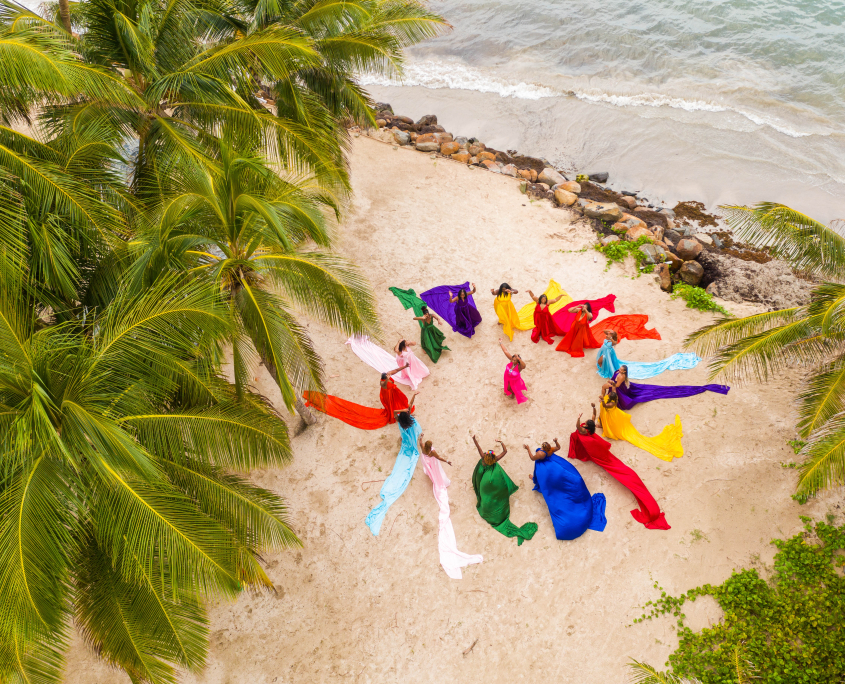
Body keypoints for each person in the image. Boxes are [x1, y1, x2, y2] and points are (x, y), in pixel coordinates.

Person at [568, 415, 670, 530]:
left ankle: (652, 511)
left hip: (596, 454)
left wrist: (577, 418)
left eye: (585, 422)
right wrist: (593, 410)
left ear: (587, 426)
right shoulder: (588, 431)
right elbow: (593, 416)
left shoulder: (583, 430)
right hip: (592, 449)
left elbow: (578, 426)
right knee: (621, 468)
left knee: (620, 470)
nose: (584, 421)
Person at [524, 439, 606, 540]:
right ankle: (536, 479)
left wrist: (528, 449)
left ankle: (535, 479)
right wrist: (556, 441)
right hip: (555, 465)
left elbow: (532, 458)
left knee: (545, 481)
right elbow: (558, 447)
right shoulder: (551, 450)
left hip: (546, 468)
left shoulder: (540, 454)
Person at [365, 392, 421, 535]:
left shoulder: (399, 421)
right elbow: (408, 407)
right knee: (406, 463)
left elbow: (397, 412)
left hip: (405, 442)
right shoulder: (411, 422)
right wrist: (414, 395)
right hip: (410, 445)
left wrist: (403, 410)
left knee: (400, 463)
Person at [471, 435, 537, 545]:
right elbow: (505, 451)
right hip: (491, 479)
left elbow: (479, 448)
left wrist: (474, 440)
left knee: (482, 488)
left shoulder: (483, 458)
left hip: (483, 478)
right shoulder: (495, 459)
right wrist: (501, 442)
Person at [599, 394, 684, 462]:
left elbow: (605, 405)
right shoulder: (614, 400)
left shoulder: (611, 403)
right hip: (613, 414)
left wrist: (602, 399)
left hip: (612, 416)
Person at [602, 365, 730, 410]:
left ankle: (615, 404)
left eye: (621, 369)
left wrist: (612, 383)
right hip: (615, 385)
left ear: (624, 372)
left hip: (618, 389)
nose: (619, 370)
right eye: (620, 369)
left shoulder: (621, 378)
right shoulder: (620, 373)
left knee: (653, 392)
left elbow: (617, 385)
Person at [596, 330, 702, 380]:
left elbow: (614, 343)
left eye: (610, 334)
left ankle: (605, 369)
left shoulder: (613, 340)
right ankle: (604, 367)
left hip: (608, 354)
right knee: (599, 362)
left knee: (603, 363)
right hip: (604, 351)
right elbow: (605, 332)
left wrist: (610, 337)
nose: (608, 334)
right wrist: (608, 333)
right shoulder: (608, 336)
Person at [500, 339, 528, 404]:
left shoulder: (519, 366)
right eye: (512, 359)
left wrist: (519, 359)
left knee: (512, 389)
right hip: (507, 378)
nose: (513, 361)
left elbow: (524, 366)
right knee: (507, 388)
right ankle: (510, 392)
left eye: (515, 360)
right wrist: (501, 343)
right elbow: (505, 351)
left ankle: (513, 394)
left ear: (518, 361)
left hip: (514, 380)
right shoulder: (511, 361)